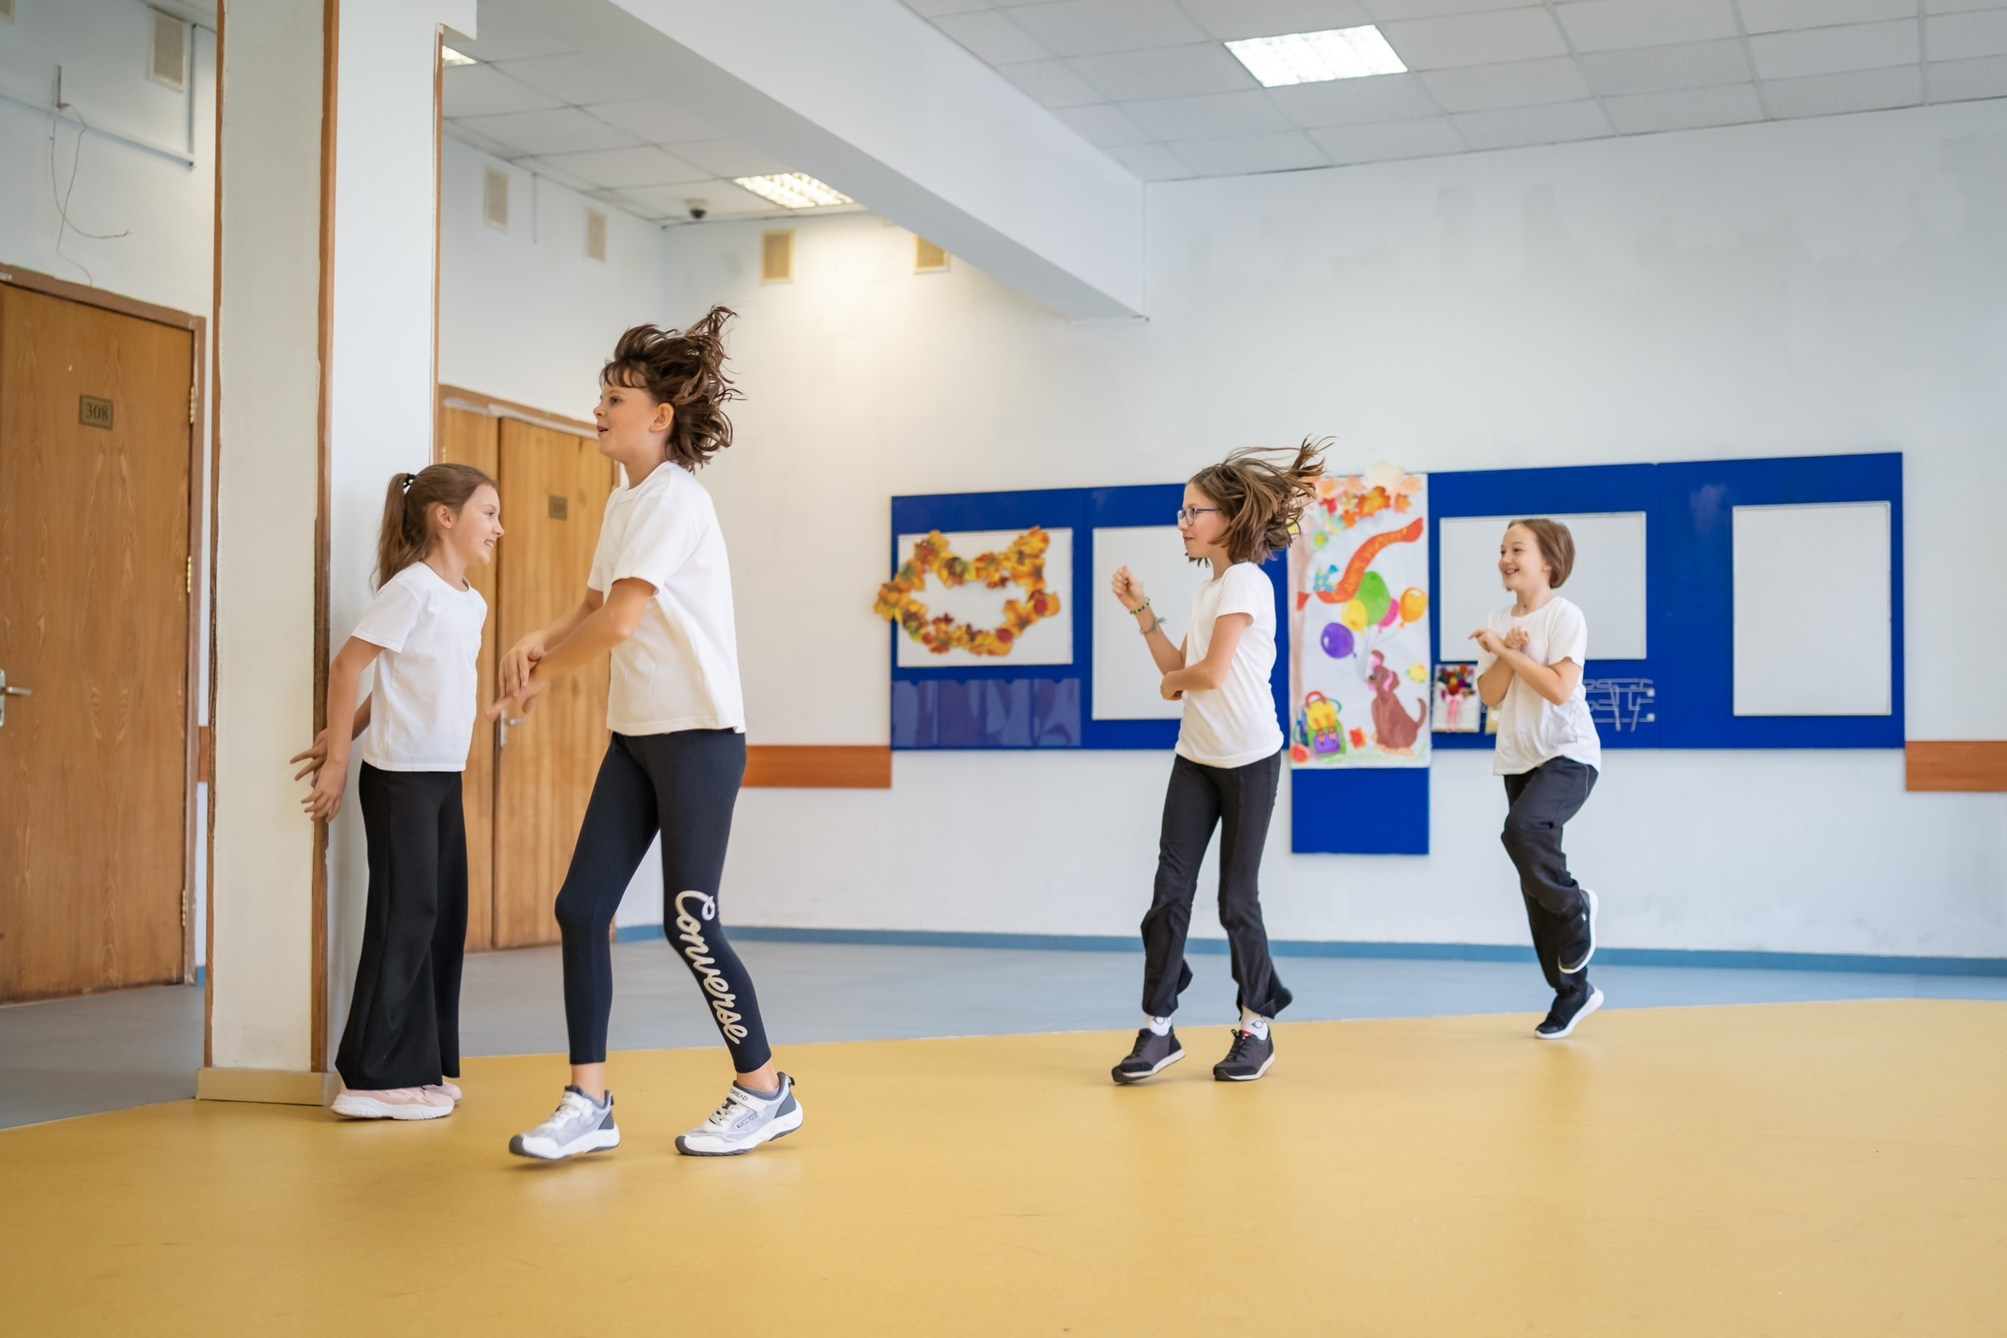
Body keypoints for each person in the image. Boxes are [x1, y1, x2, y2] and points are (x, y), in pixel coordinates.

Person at [498, 311, 800, 1160]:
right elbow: (596, 606)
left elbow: (625, 621)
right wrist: (543, 638)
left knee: (688, 921)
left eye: (615, 396)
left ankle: (764, 1089)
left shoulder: (675, 499)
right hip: (635, 736)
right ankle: (587, 1102)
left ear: (658, 416)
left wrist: (545, 678)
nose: (599, 407)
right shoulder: (626, 499)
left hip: (698, 736)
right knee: (580, 906)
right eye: (600, 394)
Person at [1106, 441, 1323, 1084]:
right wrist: (1142, 612)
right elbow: (1180, 669)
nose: (1183, 521)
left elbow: (1207, 673)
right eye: (1181, 511)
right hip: (1196, 758)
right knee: (1168, 896)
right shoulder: (1209, 589)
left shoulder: (1248, 582)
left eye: (1193, 510)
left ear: (1228, 516)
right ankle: (1158, 1029)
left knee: (1236, 900)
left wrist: (1174, 686)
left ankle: (1256, 1026)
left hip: (1250, 757)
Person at [292, 463, 501, 1118]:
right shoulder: (412, 590)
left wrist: (343, 731)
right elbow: (350, 663)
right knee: (402, 919)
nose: (500, 527)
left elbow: (395, 684)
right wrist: (335, 758)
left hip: (441, 774)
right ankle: (371, 1076)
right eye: (489, 513)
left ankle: (419, 1063)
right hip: (399, 779)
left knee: (439, 919)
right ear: (446, 516)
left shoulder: (469, 600)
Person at [1471, 518, 1604, 1040]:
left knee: (1521, 832)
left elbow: (1558, 689)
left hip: (1569, 755)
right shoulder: (1497, 618)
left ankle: (1577, 906)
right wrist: (1505, 647)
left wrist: (1508, 649)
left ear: (1547, 560)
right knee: (1533, 883)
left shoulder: (1566, 617)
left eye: (1517, 549)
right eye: (1502, 549)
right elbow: (1490, 695)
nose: (1505, 558)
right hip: (1520, 759)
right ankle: (1572, 990)